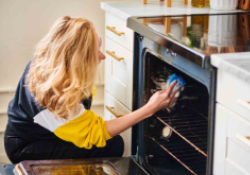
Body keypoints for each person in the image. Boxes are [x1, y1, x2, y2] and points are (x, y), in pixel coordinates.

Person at [4, 16, 178, 164]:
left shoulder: (54, 64)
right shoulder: (51, 100)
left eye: (99, 45)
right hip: (27, 147)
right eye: (94, 52)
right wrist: (149, 109)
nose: (103, 56)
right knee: (113, 145)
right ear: (77, 60)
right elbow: (95, 133)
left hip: (42, 134)